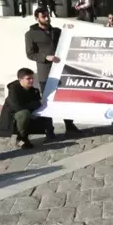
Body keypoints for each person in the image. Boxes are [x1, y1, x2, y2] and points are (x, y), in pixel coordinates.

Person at [24, 8, 80, 137]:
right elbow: (30, 53)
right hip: (45, 71)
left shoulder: (57, 31)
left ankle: (69, 125)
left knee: (65, 97)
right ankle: (49, 129)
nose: (47, 18)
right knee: (48, 101)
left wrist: (70, 30)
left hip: (61, 70)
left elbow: (67, 41)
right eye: (43, 16)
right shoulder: (30, 34)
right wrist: (45, 57)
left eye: (48, 15)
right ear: (37, 18)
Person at [0, 68, 52, 149]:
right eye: (28, 78)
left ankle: (50, 132)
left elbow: (37, 104)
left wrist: (29, 105)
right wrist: (30, 105)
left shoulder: (34, 91)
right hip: (12, 115)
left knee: (43, 110)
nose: (31, 80)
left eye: (32, 78)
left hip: (26, 113)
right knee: (24, 113)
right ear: (20, 79)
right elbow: (16, 106)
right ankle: (20, 138)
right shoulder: (13, 90)